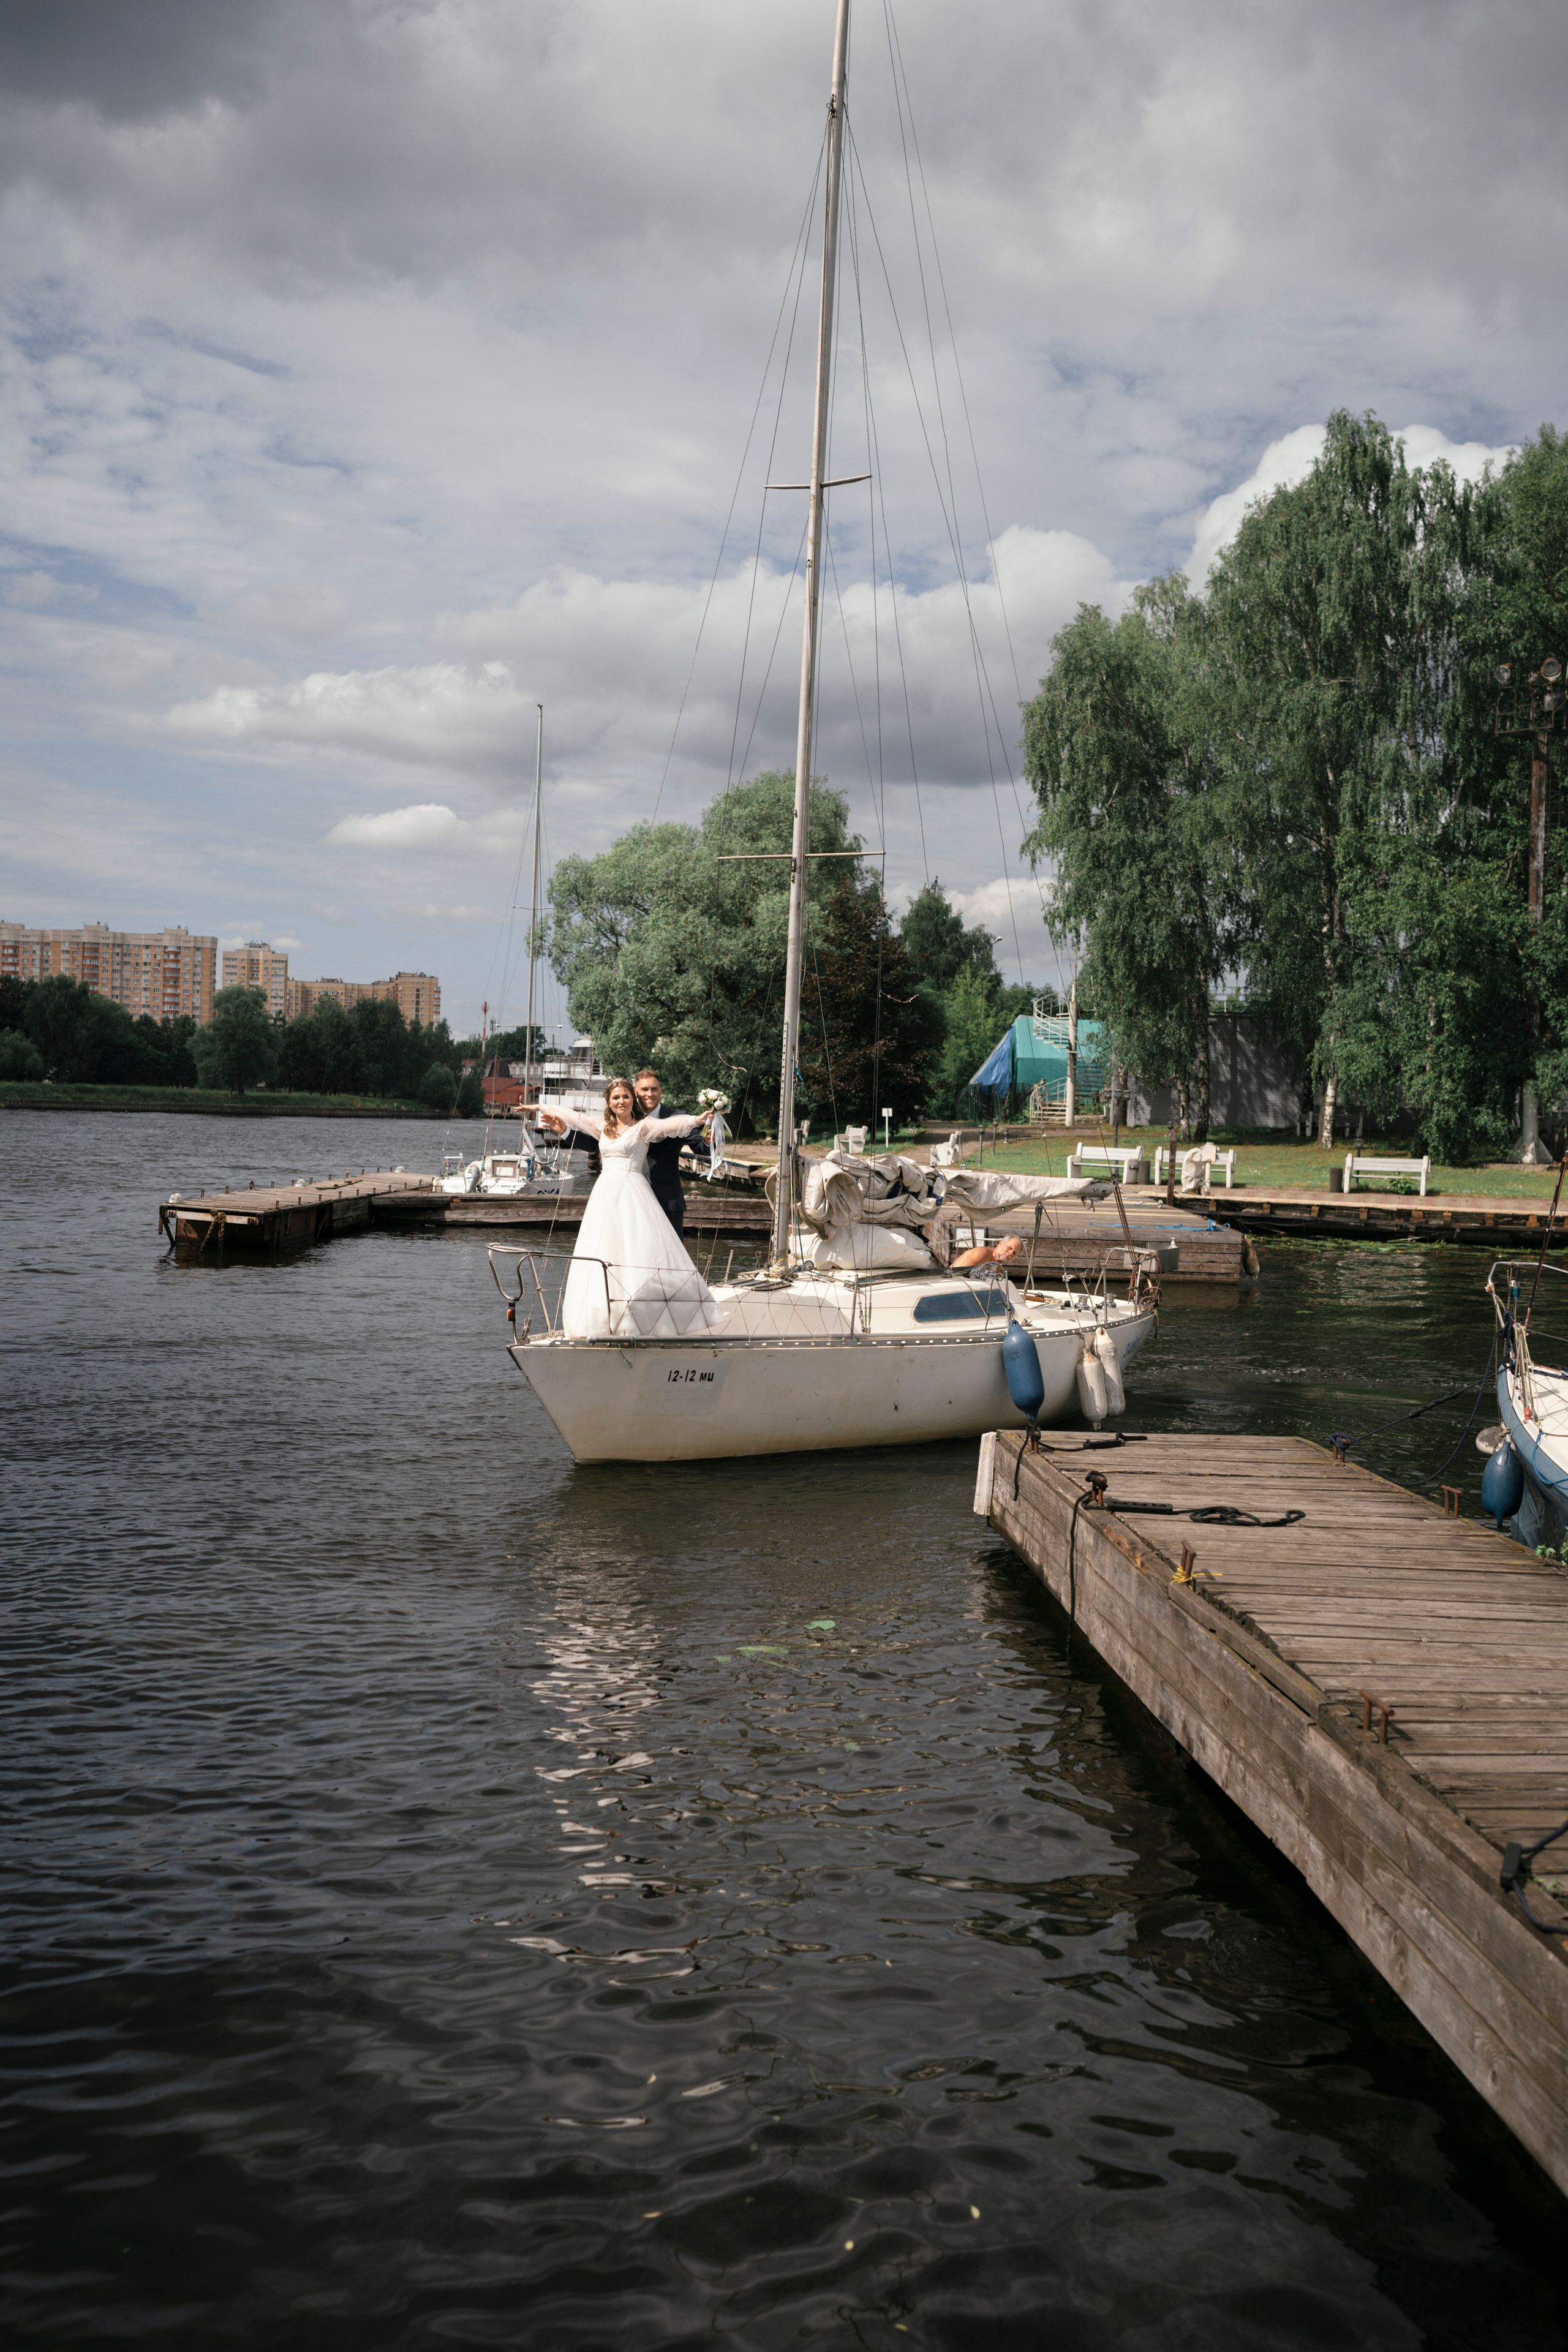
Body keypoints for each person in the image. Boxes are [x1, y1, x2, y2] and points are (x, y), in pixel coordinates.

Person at [538, 1079, 720, 1340]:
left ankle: (655, 1319)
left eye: (625, 1097)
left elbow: (673, 1126)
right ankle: (602, 1319)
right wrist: (547, 1112)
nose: (621, 1101)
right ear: (610, 1102)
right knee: (604, 1248)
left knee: (645, 1254)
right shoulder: (603, 1127)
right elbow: (576, 1118)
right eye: (616, 1098)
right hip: (606, 1196)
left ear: (634, 1098)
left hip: (641, 1194)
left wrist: (700, 1119)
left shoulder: (645, 1125)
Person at [951, 1234, 1025, 1270]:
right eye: (1009, 1248)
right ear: (1001, 1243)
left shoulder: (997, 1270)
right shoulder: (982, 1253)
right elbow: (960, 1274)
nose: (1011, 1253)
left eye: (1015, 1253)